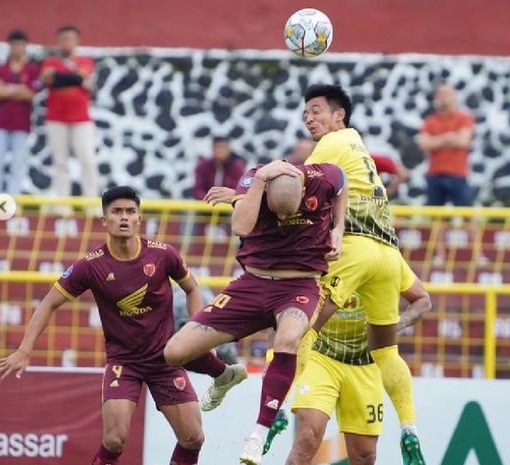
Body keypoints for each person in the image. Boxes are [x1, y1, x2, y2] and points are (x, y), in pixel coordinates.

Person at [0, 186, 242, 465]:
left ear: (139, 218)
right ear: (104, 220)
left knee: (194, 437)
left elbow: (193, 289)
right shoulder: (90, 265)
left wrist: (199, 334)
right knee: (114, 440)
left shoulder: (163, 255)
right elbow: (49, 303)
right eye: (116, 212)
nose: (124, 217)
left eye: (130, 211)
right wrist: (25, 350)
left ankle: (223, 375)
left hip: (165, 361)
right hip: (125, 363)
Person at [164, 159, 347, 465]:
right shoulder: (253, 180)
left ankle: (259, 432)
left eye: (290, 211)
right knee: (173, 352)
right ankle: (224, 375)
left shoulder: (323, 176)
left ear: (303, 190)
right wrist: (258, 183)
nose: (283, 217)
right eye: (277, 211)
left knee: (287, 340)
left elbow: (343, 182)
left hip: (299, 286)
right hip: (251, 285)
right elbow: (240, 227)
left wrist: (339, 226)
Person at [301, 84, 427, 464]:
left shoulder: (332, 144)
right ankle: (410, 427)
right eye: (305, 112)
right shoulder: (360, 148)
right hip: (389, 251)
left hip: (354, 246)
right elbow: (424, 299)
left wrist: (249, 192)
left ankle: (268, 415)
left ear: (339, 115)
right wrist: (397, 322)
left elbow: (296, 191)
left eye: (316, 110)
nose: (309, 118)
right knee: (387, 350)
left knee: (300, 326)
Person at [286, 277, 431, 465]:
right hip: (320, 356)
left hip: (366, 363)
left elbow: (422, 299)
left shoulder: (385, 256)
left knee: (365, 456)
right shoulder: (324, 252)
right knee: (307, 437)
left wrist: (399, 323)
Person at [417, 83, 486, 266]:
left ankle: (478, 255)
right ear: (436, 97)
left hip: (457, 174)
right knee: (437, 217)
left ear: (454, 96)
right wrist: (448, 138)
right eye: (441, 94)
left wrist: (437, 141)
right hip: (435, 174)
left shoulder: (464, 118)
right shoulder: (431, 120)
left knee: (467, 215)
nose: (444, 97)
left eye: (447, 93)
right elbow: (423, 144)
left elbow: (463, 141)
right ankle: (440, 255)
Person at [41, 24, 98, 200]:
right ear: (58, 41)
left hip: (81, 119)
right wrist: (75, 79)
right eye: (63, 39)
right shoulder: (49, 62)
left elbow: (79, 76)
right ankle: (62, 204)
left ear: (77, 41)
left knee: (87, 160)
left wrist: (66, 78)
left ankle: (91, 203)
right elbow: (51, 80)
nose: (67, 42)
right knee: (60, 162)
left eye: (70, 39)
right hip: (56, 119)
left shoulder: (85, 61)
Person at [0, 29, 41, 195]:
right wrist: (18, 90)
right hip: (1, 123)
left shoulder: (31, 69)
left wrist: (7, 89)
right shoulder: (1, 68)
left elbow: (30, 94)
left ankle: (13, 199)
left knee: (17, 164)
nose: (18, 48)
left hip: (22, 124)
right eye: (14, 45)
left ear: (25, 47)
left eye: (21, 45)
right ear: (9, 47)